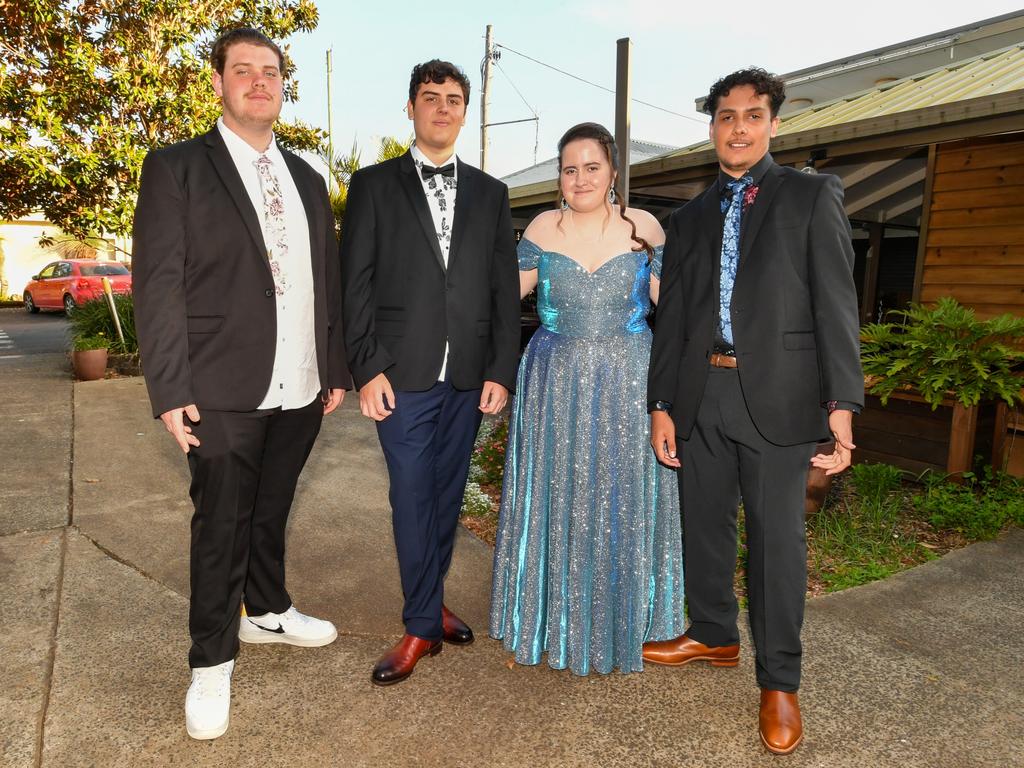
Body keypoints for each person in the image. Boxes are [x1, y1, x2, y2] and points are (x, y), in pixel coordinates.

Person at [132, 28, 350, 740]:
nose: (260, 81)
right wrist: (169, 385)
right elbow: (158, 283)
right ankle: (210, 662)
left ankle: (269, 610)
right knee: (220, 520)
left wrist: (336, 365)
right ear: (220, 83)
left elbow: (328, 281)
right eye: (244, 70)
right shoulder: (175, 169)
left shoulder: (309, 179)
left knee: (271, 505)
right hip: (218, 382)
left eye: (271, 71)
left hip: (302, 380)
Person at [645, 68, 863, 754]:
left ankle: (780, 682)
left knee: (776, 546)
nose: (737, 127)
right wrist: (661, 403)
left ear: (772, 123)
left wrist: (843, 405)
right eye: (725, 116)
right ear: (712, 126)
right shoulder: (689, 217)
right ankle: (712, 635)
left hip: (780, 396)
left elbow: (836, 306)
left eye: (751, 115)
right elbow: (673, 319)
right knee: (703, 528)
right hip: (701, 392)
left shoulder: (810, 195)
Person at [340, 59, 520, 686]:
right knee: (411, 498)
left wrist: (500, 368)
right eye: (430, 97)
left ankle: (430, 600)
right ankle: (421, 625)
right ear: (410, 107)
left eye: (453, 99)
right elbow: (354, 285)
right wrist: (367, 368)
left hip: (469, 378)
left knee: (444, 499)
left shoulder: (492, 195)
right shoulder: (371, 185)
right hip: (401, 375)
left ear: (465, 111)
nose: (442, 108)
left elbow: (502, 290)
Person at [489, 122, 686, 676]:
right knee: (560, 490)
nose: (580, 178)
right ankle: (551, 620)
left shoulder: (644, 227)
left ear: (613, 172)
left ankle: (630, 621)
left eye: (591, 166)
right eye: (569, 168)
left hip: (630, 380)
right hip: (555, 382)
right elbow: (501, 299)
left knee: (622, 496)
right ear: (559, 176)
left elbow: (672, 312)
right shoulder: (541, 228)